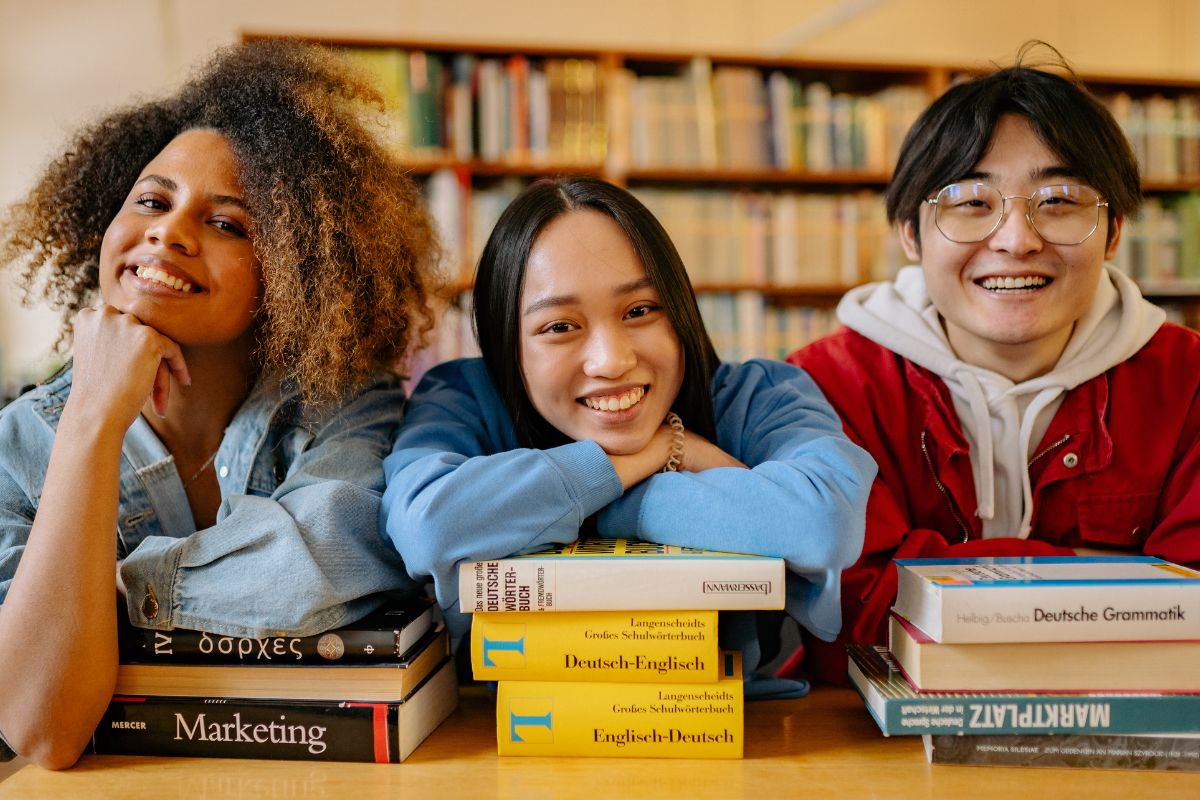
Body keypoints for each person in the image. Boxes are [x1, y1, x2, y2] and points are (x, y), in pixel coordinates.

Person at [0, 41, 439, 767]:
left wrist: (95, 599)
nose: (169, 231)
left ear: (295, 272)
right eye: (151, 200)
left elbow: (324, 557)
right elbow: (42, 729)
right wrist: (89, 422)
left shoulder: (345, 406)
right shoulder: (19, 443)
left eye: (227, 224)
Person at [781, 46, 1200, 684]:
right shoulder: (824, 386)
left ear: (1114, 231)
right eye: (971, 202)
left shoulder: (1190, 382)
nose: (1015, 238)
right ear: (911, 233)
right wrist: (1115, 579)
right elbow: (852, 614)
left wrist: (931, 571)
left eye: (1059, 200)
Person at [381, 176, 875, 695]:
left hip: (729, 732)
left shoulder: (759, 395)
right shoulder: (462, 397)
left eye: (639, 311)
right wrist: (657, 453)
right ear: (508, 343)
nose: (612, 361)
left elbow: (823, 521)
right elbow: (427, 524)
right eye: (559, 327)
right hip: (494, 742)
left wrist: (604, 506)